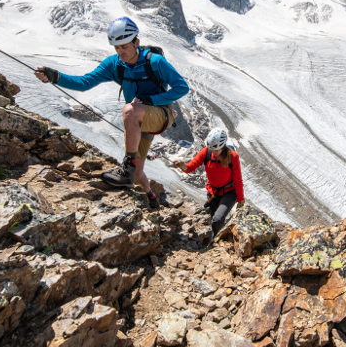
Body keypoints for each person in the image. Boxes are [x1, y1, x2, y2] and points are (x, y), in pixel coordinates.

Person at [35, 16, 188, 209]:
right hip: (140, 121)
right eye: (116, 48)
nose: (120, 52)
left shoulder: (155, 62)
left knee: (129, 111)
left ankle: (126, 169)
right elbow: (85, 82)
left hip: (160, 115)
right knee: (137, 174)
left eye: (124, 46)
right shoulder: (114, 64)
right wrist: (56, 77)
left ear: (136, 42)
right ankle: (151, 197)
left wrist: (152, 100)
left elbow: (182, 87)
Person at [176, 128, 244, 227]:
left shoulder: (233, 157)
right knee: (213, 219)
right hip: (213, 192)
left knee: (217, 219)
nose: (213, 151)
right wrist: (181, 165)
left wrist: (240, 199)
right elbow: (190, 167)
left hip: (229, 192)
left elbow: (237, 179)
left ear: (223, 146)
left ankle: (217, 239)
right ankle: (216, 236)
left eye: (216, 149)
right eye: (212, 148)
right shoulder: (206, 152)